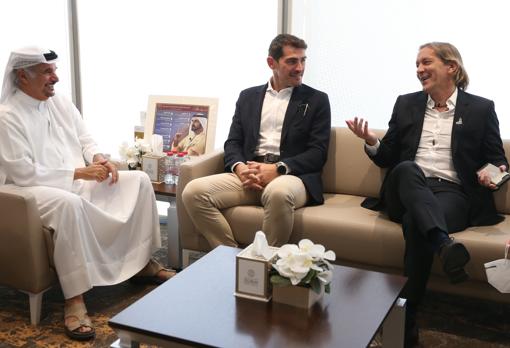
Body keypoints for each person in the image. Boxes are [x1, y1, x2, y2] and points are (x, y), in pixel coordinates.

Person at [0, 47, 175, 341]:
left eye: (54, 70)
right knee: (68, 205)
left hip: (74, 178)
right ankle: (75, 299)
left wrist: (98, 158)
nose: (55, 77)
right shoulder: (7, 116)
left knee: (139, 180)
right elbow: (22, 172)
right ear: (22, 76)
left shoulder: (59, 102)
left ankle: (141, 262)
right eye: (47, 71)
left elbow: (85, 138)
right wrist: (79, 173)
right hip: (29, 191)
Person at [346, 42, 508, 347]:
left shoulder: (482, 108)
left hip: (452, 194)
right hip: (404, 187)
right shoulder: (406, 103)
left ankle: (407, 318)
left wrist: (491, 174)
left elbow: (499, 161)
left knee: (416, 224)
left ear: (451, 68)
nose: (419, 70)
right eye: (417, 64)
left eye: (426, 62)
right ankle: (444, 244)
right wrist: (370, 141)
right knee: (407, 168)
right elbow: (387, 157)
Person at [182, 34, 331, 248]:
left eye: (303, 60)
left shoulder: (316, 100)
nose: (299, 67)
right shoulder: (248, 97)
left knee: (278, 193)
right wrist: (241, 168)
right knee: (193, 192)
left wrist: (278, 169)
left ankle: (263, 267)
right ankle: (229, 259)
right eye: (292, 61)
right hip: (250, 173)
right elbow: (233, 142)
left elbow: (318, 153)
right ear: (272, 63)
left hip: (291, 176)